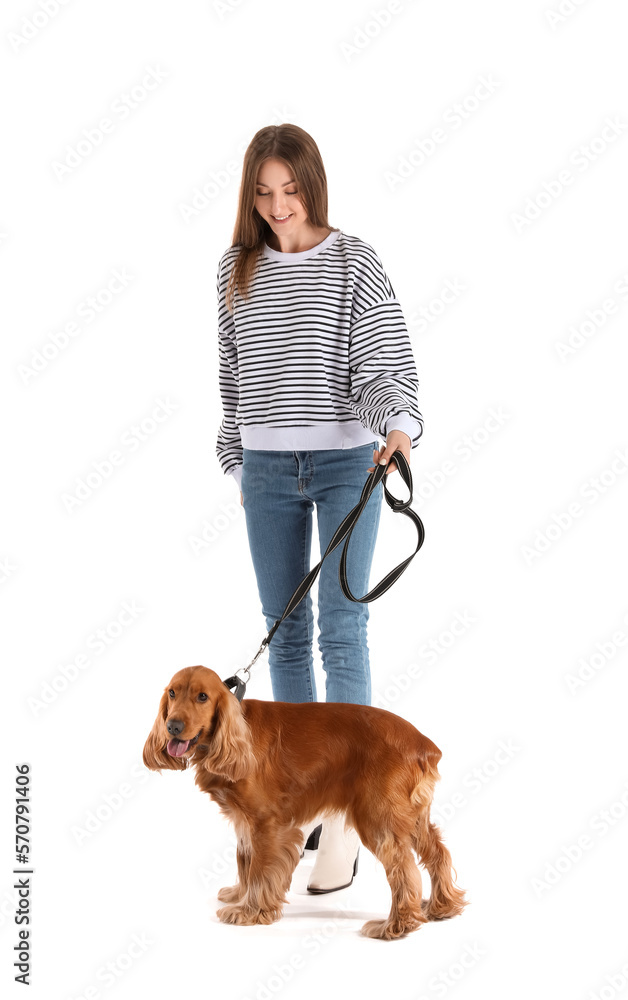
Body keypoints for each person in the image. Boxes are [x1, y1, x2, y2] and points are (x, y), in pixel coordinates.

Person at [215, 123, 423, 893]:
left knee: (342, 623)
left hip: (347, 462)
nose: (277, 206)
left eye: (290, 191)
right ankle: (298, 806)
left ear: (312, 185)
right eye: (264, 193)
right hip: (266, 472)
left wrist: (398, 427)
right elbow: (232, 380)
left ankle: (345, 823)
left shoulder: (353, 262)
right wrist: (239, 460)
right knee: (286, 633)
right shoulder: (235, 269)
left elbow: (385, 362)